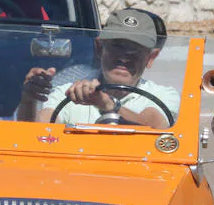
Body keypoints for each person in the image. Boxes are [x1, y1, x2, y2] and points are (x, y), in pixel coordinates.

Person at [18, 8, 178, 127]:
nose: (123, 57)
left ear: (150, 58)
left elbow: (155, 127)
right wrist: (30, 99)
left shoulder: (162, 96)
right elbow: (35, 132)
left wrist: (108, 105)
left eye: (134, 50)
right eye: (117, 46)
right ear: (99, 48)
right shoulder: (69, 92)